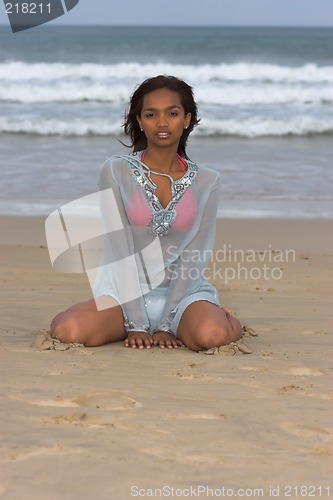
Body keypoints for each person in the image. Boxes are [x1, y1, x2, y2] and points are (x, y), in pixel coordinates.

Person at [50, 75, 242, 351]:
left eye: (172, 113)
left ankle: (225, 318)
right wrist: (137, 323)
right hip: (122, 296)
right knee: (67, 330)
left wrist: (166, 324)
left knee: (213, 337)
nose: (162, 123)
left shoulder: (208, 181)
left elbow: (194, 255)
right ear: (140, 121)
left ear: (187, 119)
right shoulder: (115, 171)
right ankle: (107, 317)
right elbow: (120, 249)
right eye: (151, 114)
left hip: (184, 297)